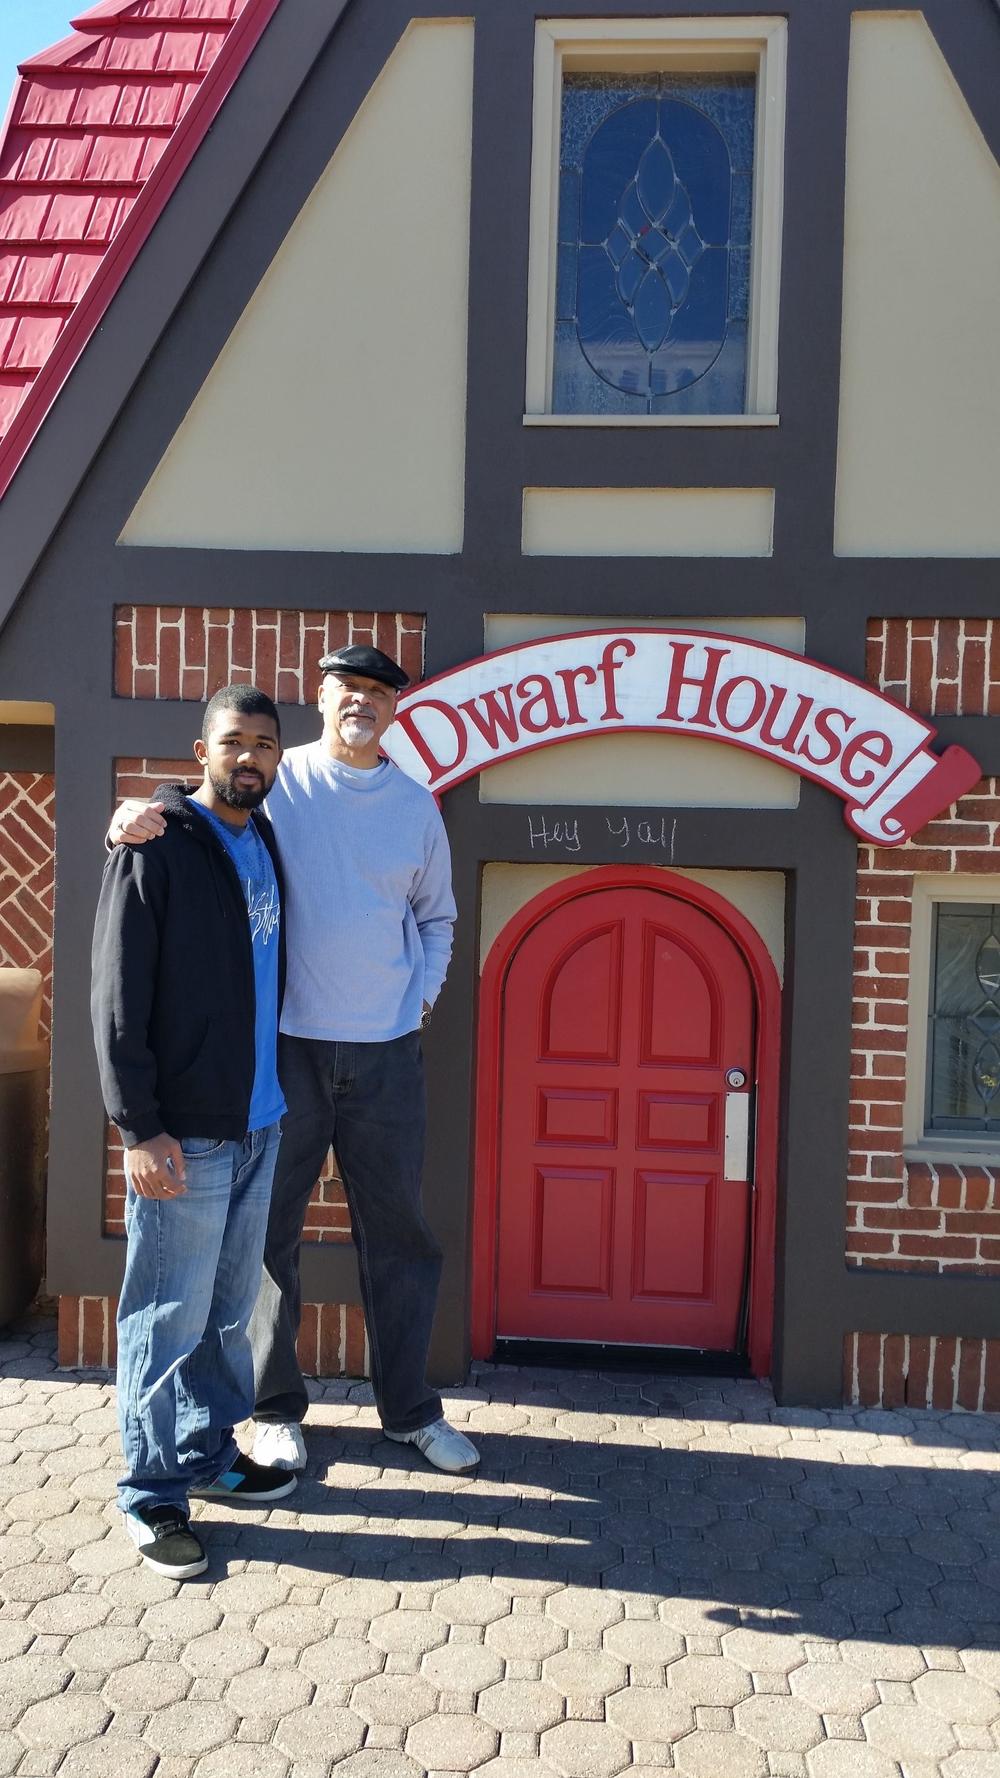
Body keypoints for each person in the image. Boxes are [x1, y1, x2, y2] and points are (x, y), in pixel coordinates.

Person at [108, 645, 479, 1478]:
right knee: (266, 1239)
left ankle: (410, 1412)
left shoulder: (417, 808)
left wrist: (414, 1000)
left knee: (402, 1237)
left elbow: (437, 919)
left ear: (394, 710)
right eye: (349, 689)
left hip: (386, 1054)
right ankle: (274, 1410)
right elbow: (205, 804)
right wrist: (136, 810)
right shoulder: (280, 781)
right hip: (284, 1053)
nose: (364, 703)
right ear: (322, 698)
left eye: (379, 693)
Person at [92, 684, 297, 1580]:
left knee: (224, 1313)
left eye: (263, 743)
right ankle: (150, 1494)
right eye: (233, 741)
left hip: (258, 1123)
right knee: (165, 1315)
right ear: (201, 749)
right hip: (186, 1133)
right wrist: (140, 1128)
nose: (248, 756)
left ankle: (208, 1456)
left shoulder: (266, 839)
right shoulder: (160, 844)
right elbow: (116, 998)